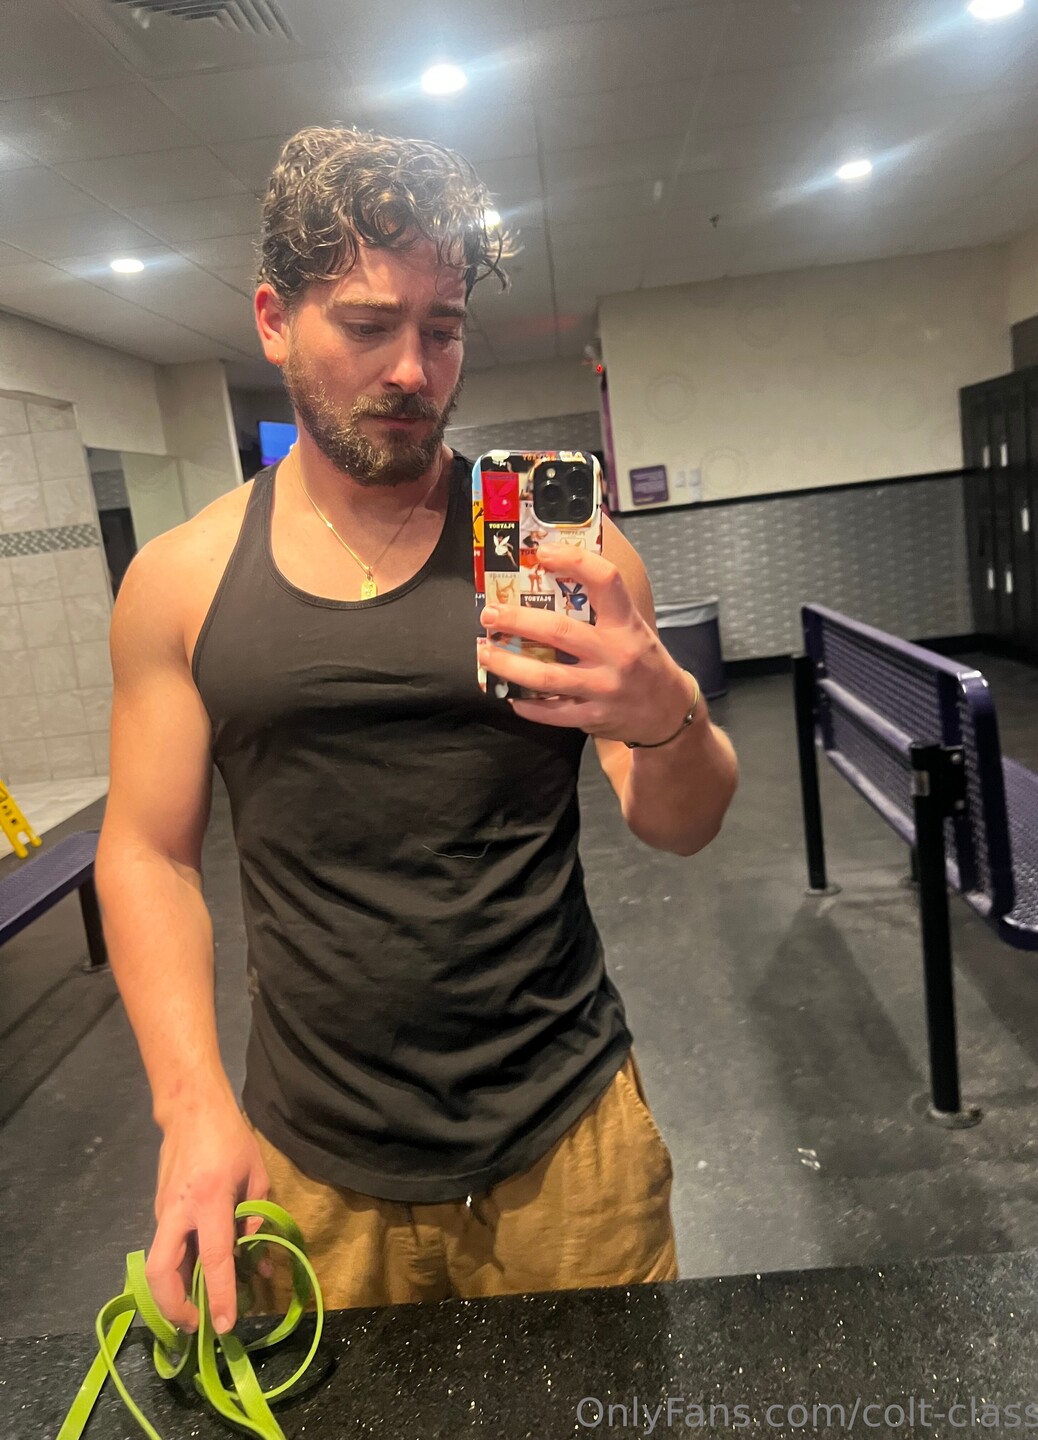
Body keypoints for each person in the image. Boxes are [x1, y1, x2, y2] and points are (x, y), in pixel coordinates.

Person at [95, 127, 739, 1338]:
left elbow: (682, 824)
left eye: (442, 329)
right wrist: (190, 1106)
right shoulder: (180, 583)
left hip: (568, 1144)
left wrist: (667, 717)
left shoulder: (568, 558)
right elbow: (146, 851)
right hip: (311, 1165)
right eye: (367, 323)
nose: (411, 368)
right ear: (275, 320)